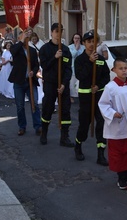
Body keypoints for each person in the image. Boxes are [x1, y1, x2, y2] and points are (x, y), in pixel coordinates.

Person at [98, 57, 127, 190]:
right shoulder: (110, 87)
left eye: (125, 68)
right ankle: (121, 176)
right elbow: (103, 104)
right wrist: (113, 113)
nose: (124, 71)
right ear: (114, 70)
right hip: (117, 126)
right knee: (119, 153)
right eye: (120, 68)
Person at [73, 30, 111, 163]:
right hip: (85, 97)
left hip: (99, 96)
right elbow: (80, 76)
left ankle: (101, 154)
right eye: (88, 41)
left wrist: (98, 85)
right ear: (83, 43)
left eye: (93, 41)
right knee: (84, 124)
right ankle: (78, 146)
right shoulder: (80, 60)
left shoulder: (100, 59)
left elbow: (106, 76)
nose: (91, 44)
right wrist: (89, 62)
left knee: (101, 123)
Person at [38, 23, 73, 146]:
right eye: (56, 31)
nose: (59, 34)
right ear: (52, 32)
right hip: (50, 83)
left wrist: (64, 84)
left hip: (63, 85)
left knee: (65, 110)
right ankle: (44, 133)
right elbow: (44, 66)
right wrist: (54, 57)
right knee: (48, 108)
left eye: (61, 31)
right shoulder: (45, 49)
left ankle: (64, 137)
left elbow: (68, 69)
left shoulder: (66, 49)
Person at [9, 29, 41, 137]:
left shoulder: (32, 50)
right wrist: (21, 41)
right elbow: (13, 53)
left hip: (30, 81)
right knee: (20, 106)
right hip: (19, 81)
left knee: (35, 104)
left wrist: (34, 71)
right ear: (20, 38)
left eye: (27, 38)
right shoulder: (15, 48)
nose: (26, 39)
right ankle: (22, 126)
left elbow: (36, 65)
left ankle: (38, 126)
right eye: (24, 37)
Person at [68, 33, 84, 100]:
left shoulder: (83, 47)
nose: (77, 40)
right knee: (72, 84)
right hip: (73, 68)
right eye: (75, 38)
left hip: (81, 68)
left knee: (79, 83)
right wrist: (76, 48)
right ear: (73, 39)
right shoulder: (70, 47)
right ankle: (71, 96)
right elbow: (72, 55)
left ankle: (79, 95)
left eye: (78, 38)